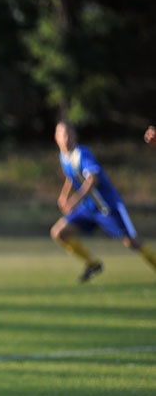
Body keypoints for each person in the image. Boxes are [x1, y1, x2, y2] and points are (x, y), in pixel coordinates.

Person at [50, 120, 156, 282]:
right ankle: (93, 263)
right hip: (88, 209)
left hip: (107, 206)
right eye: (63, 134)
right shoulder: (63, 157)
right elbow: (71, 176)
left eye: (69, 133)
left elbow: (93, 178)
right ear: (56, 137)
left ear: (75, 136)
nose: (66, 137)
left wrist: (74, 200)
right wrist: (64, 196)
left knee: (132, 242)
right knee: (59, 233)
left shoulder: (81, 153)